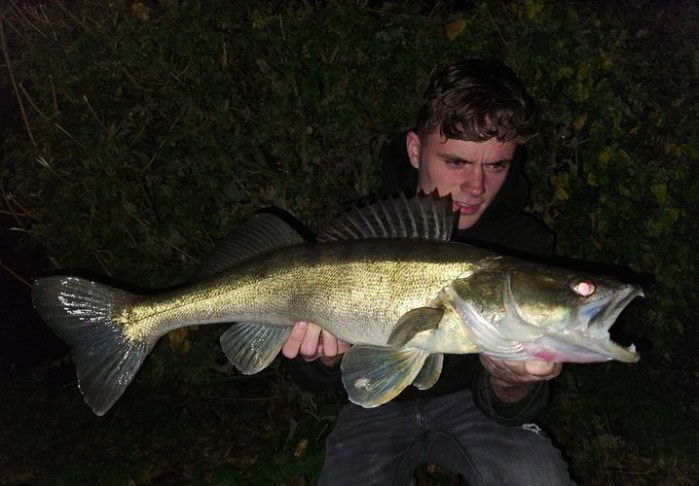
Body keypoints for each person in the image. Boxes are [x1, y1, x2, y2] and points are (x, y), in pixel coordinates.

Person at [282, 59, 574, 485]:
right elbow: (310, 377)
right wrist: (319, 361)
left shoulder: (525, 246)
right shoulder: (362, 235)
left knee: (536, 476)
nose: (476, 188)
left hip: (470, 405)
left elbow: (514, 406)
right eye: (456, 162)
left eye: (496, 166)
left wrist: (511, 384)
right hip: (377, 405)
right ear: (416, 150)